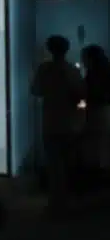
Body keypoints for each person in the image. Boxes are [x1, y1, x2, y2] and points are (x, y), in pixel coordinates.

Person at [31, 35, 86, 210]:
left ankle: (55, 201)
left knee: (54, 164)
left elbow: (35, 90)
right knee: (68, 163)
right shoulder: (72, 70)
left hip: (50, 121)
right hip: (70, 122)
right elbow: (81, 95)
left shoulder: (44, 69)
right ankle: (67, 200)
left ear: (49, 49)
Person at [81, 45, 110, 171]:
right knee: (101, 146)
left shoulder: (94, 75)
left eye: (84, 58)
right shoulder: (101, 72)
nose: (83, 62)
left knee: (97, 146)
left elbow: (91, 95)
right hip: (102, 112)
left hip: (98, 112)